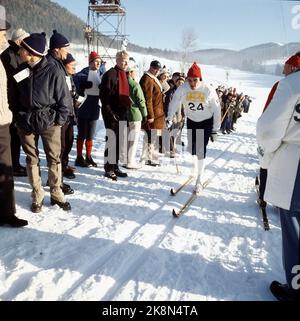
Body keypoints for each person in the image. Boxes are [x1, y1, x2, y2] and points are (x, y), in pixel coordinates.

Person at [11, 32, 71, 213]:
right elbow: (13, 97)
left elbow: (64, 100)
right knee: (31, 159)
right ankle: (37, 194)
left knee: (54, 158)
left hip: (49, 122)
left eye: (23, 49)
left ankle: (56, 192)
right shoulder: (20, 70)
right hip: (26, 121)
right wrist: (18, 116)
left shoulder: (53, 70)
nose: (20, 51)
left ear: (31, 52)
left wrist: (58, 122)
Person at [256, 55, 300, 302]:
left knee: (294, 230)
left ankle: (296, 288)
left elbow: (270, 128)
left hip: (296, 164)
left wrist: (266, 157)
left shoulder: (293, 84)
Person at [167, 62, 221, 193]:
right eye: (190, 80)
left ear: (200, 78)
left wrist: (215, 129)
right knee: (193, 149)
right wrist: (169, 118)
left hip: (205, 122)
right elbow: (175, 102)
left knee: (200, 150)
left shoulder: (207, 89)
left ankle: (199, 179)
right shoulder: (183, 88)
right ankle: (195, 170)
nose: (192, 83)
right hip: (191, 121)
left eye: (195, 80)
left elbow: (217, 109)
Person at [257, 54, 300, 208]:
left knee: (266, 165)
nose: (283, 71)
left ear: (293, 67)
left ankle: (263, 196)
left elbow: (271, 113)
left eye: (285, 67)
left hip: (283, 141)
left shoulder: (285, 84)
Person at [0, 14, 28, 228]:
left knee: (6, 169)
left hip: (5, 117)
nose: (4, 37)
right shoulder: (6, 57)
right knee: (5, 168)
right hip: (1, 120)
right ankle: (6, 213)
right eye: (2, 34)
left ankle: (6, 212)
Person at [1, 28, 29, 177]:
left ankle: (14, 164)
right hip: (12, 102)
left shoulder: (13, 53)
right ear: (19, 40)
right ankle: (13, 165)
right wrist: (29, 71)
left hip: (15, 101)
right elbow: (14, 77)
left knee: (15, 136)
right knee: (13, 136)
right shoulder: (9, 55)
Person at [100, 50, 131, 180]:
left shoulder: (124, 74)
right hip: (111, 112)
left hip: (122, 112)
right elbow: (104, 97)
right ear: (117, 60)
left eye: (127, 61)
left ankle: (115, 165)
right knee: (111, 140)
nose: (125, 63)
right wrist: (110, 112)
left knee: (119, 141)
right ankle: (108, 168)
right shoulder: (110, 74)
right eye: (123, 61)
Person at [74, 51, 102, 168]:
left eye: (99, 62)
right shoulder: (82, 74)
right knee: (82, 134)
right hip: (83, 107)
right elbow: (74, 83)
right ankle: (79, 157)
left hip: (95, 107)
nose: (97, 64)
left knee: (91, 134)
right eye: (95, 61)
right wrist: (81, 86)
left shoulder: (101, 74)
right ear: (90, 62)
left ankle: (88, 156)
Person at [139, 60, 165, 166]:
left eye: (158, 70)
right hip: (153, 114)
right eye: (155, 69)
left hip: (157, 113)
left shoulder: (153, 78)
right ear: (150, 67)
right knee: (149, 136)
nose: (156, 71)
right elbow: (147, 99)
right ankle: (147, 158)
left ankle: (151, 156)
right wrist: (150, 115)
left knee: (153, 137)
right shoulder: (147, 79)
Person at [124, 59, 147, 169]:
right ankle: (130, 161)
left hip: (125, 114)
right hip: (135, 114)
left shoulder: (121, 83)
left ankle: (125, 160)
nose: (136, 73)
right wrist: (145, 114)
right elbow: (141, 101)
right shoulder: (134, 84)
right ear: (130, 72)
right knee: (133, 140)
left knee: (127, 139)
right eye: (134, 71)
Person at [62, 53, 79, 179]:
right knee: (61, 145)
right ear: (65, 65)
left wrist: (77, 100)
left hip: (70, 115)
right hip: (62, 116)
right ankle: (60, 170)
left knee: (68, 142)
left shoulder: (70, 77)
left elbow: (72, 93)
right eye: (72, 65)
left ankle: (65, 165)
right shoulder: (60, 77)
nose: (74, 67)